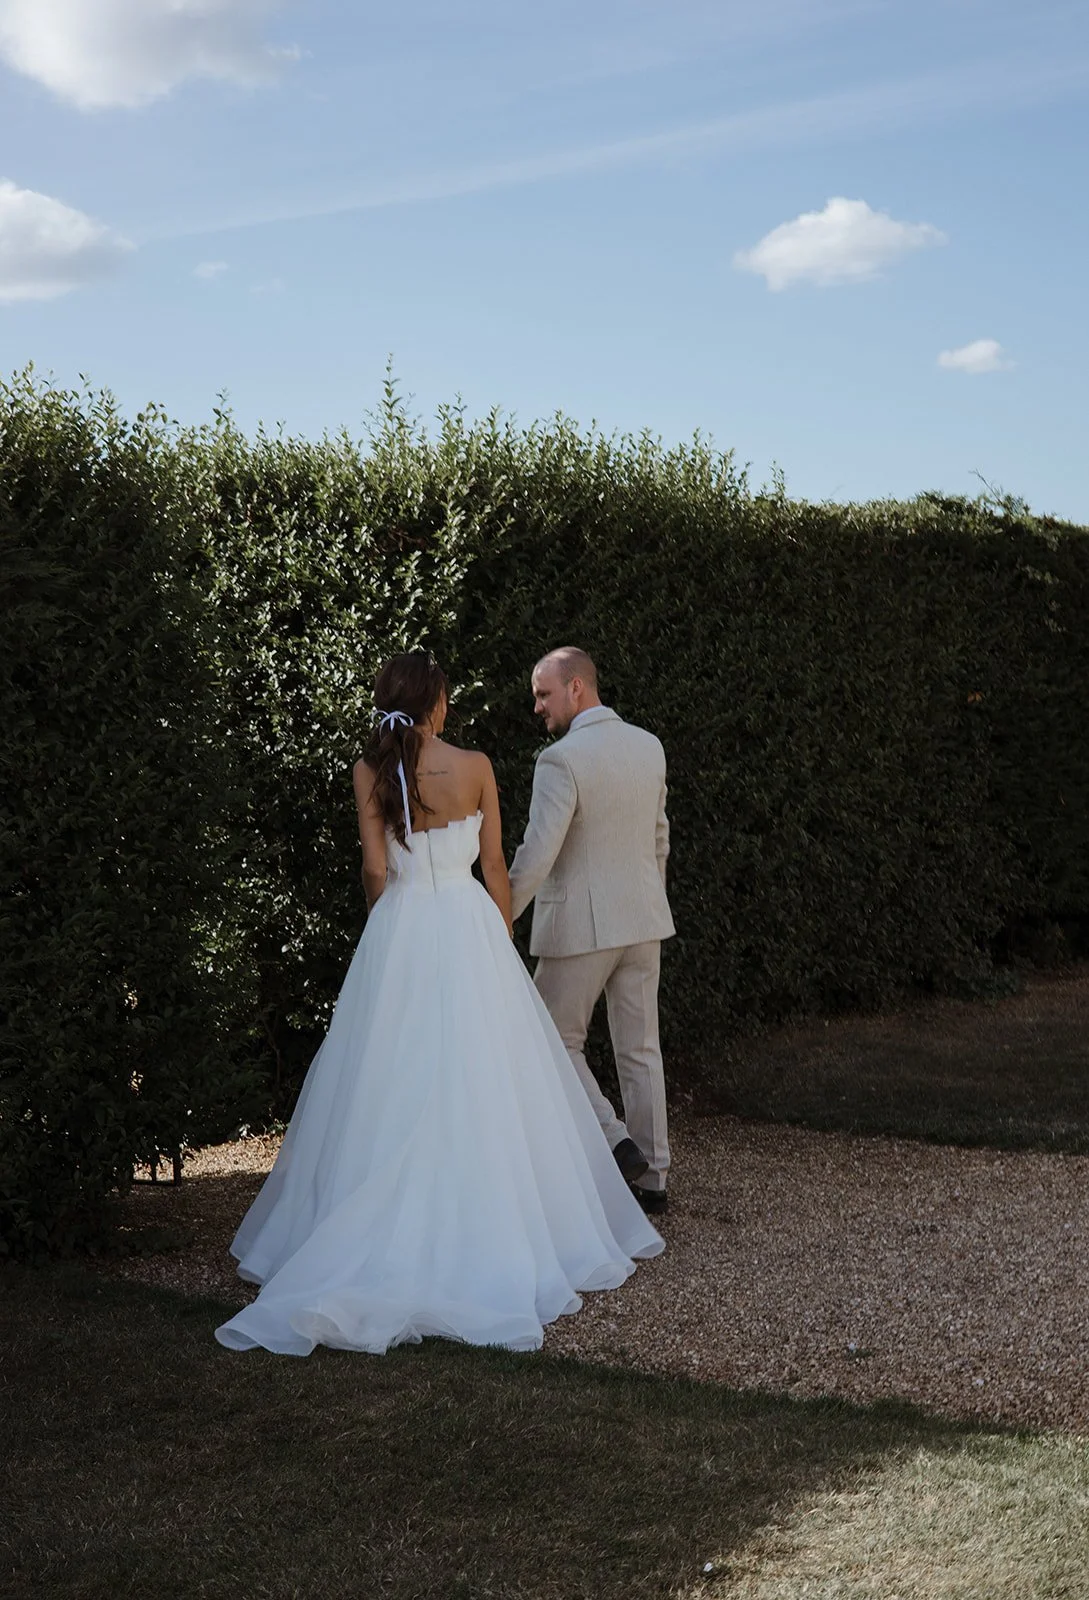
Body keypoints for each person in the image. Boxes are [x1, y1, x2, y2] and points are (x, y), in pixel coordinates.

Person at [215, 650, 662, 1357]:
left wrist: (384, 921)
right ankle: (504, 1226)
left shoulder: (370, 772)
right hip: (468, 925)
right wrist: (500, 931)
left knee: (387, 1074)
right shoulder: (478, 765)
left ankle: (358, 1228)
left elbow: (371, 866)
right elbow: (493, 868)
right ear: (435, 704)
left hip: (401, 926)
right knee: (486, 1072)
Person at [508, 648, 674, 1213]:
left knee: (552, 1039)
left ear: (576, 688)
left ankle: (613, 1139)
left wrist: (498, 912)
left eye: (544, 694)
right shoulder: (648, 746)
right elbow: (660, 842)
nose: (538, 707)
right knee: (641, 1049)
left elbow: (537, 853)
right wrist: (649, 901)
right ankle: (655, 1180)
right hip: (644, 919)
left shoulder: (560, 759)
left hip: (580, 926)